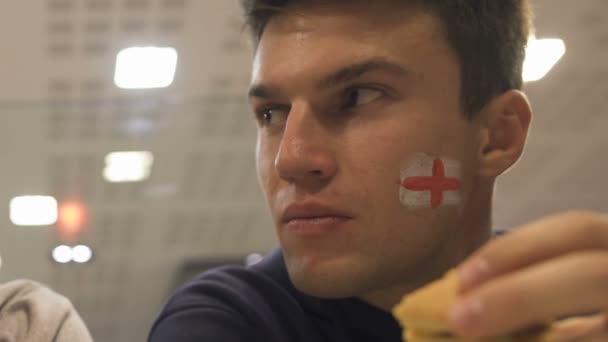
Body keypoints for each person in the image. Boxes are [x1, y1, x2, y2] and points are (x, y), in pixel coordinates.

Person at [149, 1, 608, 340]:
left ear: (497, 136)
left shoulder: (580, 310)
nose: (290, 160)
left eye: (358, 97)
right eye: (272, 113)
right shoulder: (229, 319)